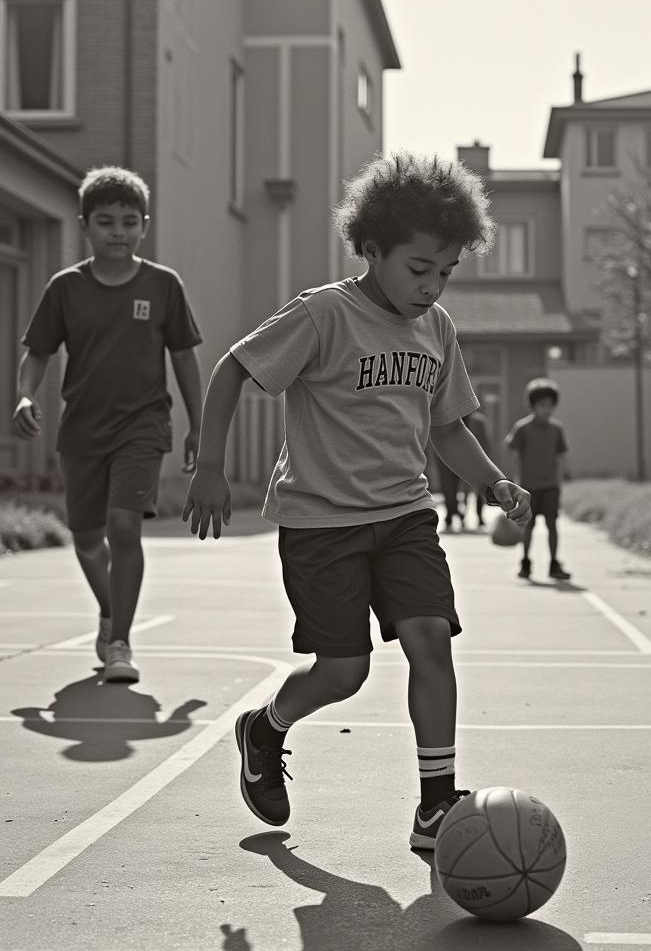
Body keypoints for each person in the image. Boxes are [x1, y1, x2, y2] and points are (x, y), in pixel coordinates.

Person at [181, 151, 531, 848]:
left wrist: (493, 479)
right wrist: (211, 465)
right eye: (418, 269)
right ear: (371, 248)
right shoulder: (323, 314)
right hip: (322, 523)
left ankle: (435, 803)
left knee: (431, 639)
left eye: (446, 273)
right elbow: (231, 370)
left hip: (405, 516)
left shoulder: (436, 329)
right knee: (343, 673)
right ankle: (265, 727)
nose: (432, 287)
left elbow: (447, 424)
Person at [14, 166, 203, 683]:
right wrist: (25, 396)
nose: (118, 232)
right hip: (82, 429)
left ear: (144, 225)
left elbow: (185, 358)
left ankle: (119, 641)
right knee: (85, 540)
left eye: (129, 221)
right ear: (84, 226)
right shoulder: (64, 289)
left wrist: (198, 426)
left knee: (124, 526)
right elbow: (37, 353)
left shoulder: (164, 285)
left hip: (143, 423)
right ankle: (110, 610)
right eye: (105, 222)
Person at [506, 378, 573, 581]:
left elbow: (561, 455)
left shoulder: (556, 429)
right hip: (528, 487)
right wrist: (508, 481)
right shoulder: (523, 428)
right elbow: (512, 453)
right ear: (532, 405)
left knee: (552, 524)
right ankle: (525, 562)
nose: (547, 409)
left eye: (551, 405)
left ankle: (554, 563)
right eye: (542, 405)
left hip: (551, 485)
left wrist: (566, 472)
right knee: (529, 525)